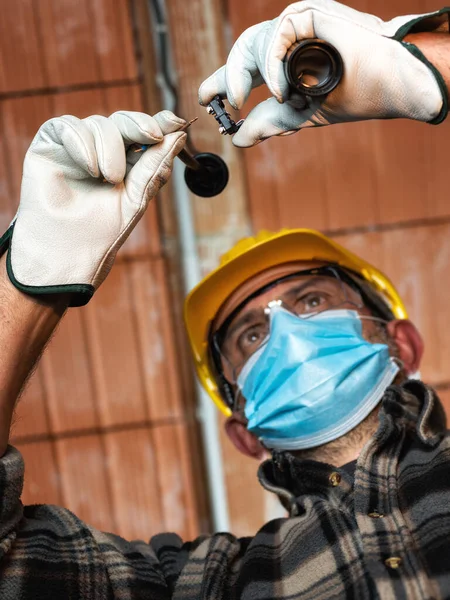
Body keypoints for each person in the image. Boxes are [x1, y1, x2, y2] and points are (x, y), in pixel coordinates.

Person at [1, 1, 450, 597]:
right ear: (241, 428)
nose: (287, 330)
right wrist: (29, 284)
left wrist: (432, 64)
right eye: (252, 334)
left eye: (312, 300)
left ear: (402, 340)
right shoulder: (206, 587)